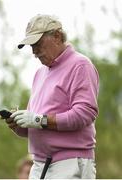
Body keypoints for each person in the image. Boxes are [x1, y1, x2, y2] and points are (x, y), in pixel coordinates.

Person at [6, 14, 99, 179]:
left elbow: (85, 113)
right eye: (31, 46)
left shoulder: (80, 65)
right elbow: (38, 123)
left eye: (38, 44)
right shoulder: (40, 73)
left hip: (69, 162)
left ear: (57, 36)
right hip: (39, 164)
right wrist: (19, 125)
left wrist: (38, 120)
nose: (34, 52)